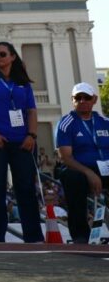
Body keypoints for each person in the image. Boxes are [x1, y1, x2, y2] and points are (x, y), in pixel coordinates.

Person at [0, 41, 43, 243]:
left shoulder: (23, 83)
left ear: (13, 57)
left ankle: (33, 236)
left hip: (22, 142)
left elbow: (31, 111)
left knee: (26, 189)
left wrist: (31, 135)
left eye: (2, 54)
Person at [55, 82, 109, 243]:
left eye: (87, 97)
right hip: (80, 168)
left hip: (105, 166)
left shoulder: (105, 121)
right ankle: (80, 236)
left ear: (94, 99)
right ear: (73, 100)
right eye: (78, 97)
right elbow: (65, 157)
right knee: (73, 178)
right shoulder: (66, 123)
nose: (83, 100)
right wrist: (89, 173)